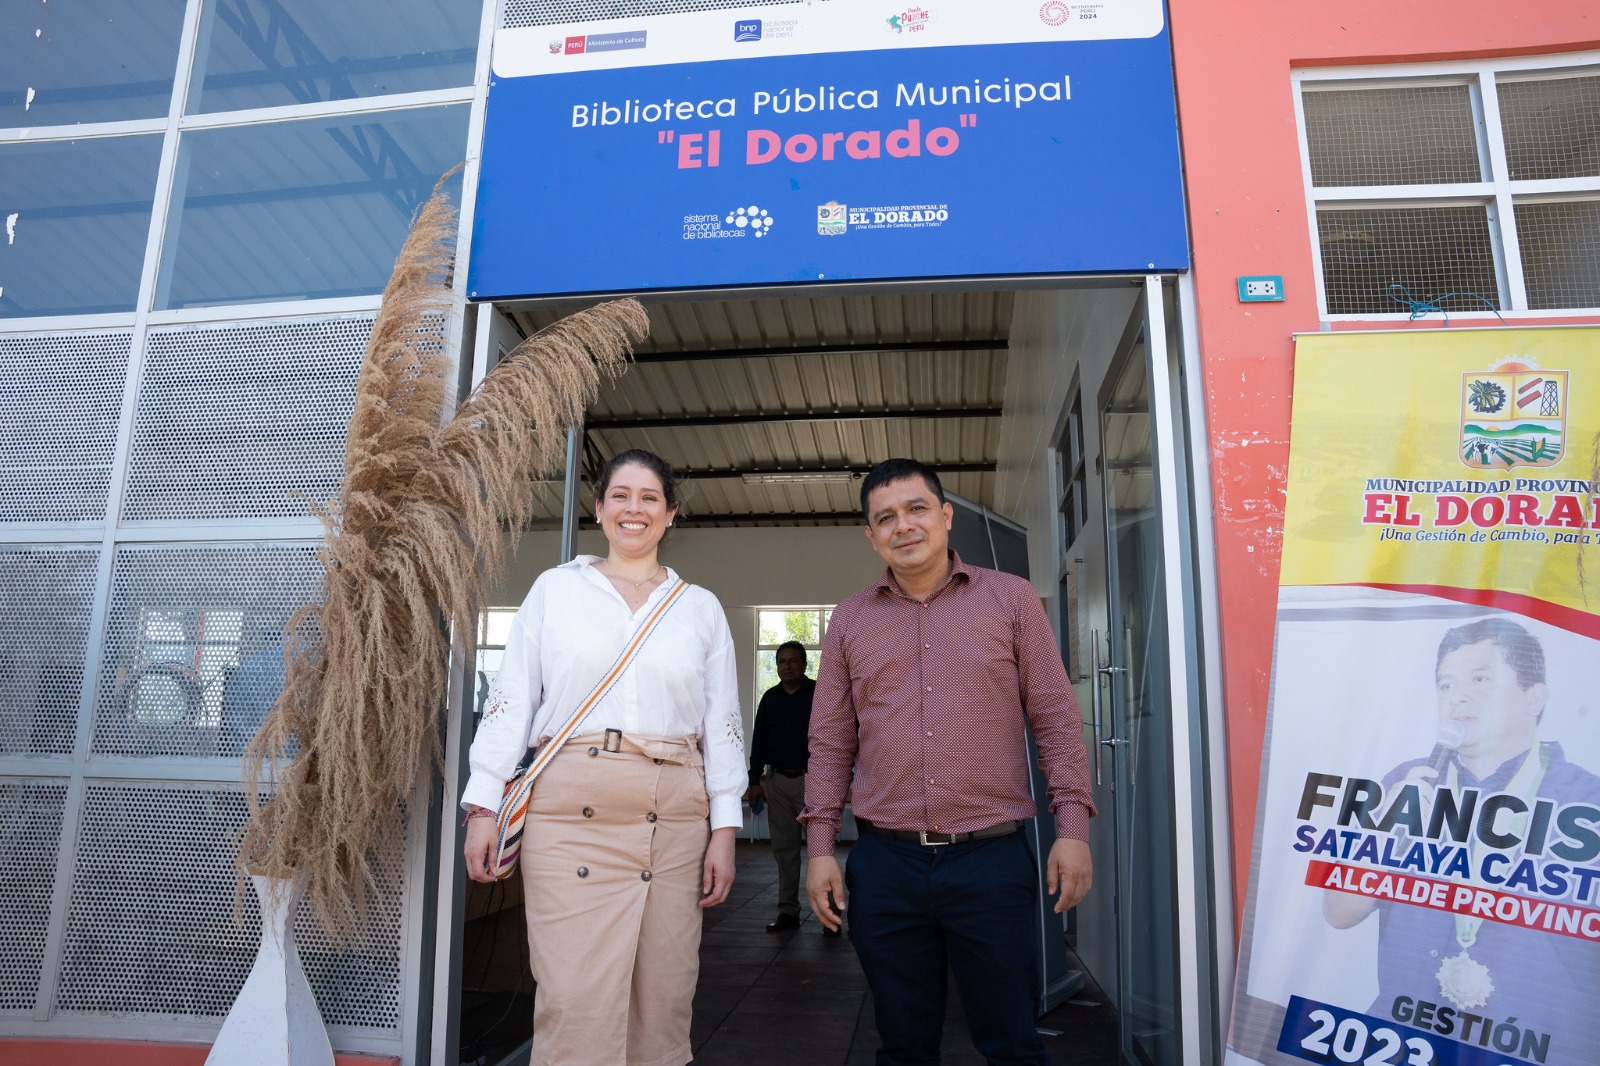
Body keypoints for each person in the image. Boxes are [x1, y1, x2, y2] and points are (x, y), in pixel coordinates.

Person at [801, 457, 1095, 1065]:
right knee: (904, 1042)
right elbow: (830, 742)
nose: (903, 526)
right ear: (870, 534)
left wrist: (1072, 831)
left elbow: (1056, 719)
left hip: (989, 861)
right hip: (887, 864)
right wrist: (820, 849)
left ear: (945, 516)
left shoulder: (1010, 600)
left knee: (1011, 1040)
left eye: (916, 510)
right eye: (885, 518)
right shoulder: (851, 619)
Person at [460, 448, 744, 1066]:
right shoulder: (557, 590)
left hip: (674, 820)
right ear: (599, 508)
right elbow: (512, 698)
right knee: (574, 998)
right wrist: (484, 802)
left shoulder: (700, 608)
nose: (633, 509)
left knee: (663, 1000)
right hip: (570, 820)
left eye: (649, 498)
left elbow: (721, 727)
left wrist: (724, 831)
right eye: (620, 495)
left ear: (671, 514)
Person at [1323, 617, 1600, 1056]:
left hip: (1536, 1048)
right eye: (1446, 685)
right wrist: (1384, 835)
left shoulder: (1587, 802)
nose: (1459, 697)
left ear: (1535, 696)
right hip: (1407, 1040)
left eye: (1480, 679)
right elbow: (1339, 912)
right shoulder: (1407, 782)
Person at [743, 640, 821, 934]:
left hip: (812, 781)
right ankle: (788, 912)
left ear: (804, 665)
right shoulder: (770, 698)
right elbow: (758, 742)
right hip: (777, 783)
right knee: (784, 850)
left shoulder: (818, 695)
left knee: (820, 849)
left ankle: (828, 914)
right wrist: (754, 781)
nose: (787, 666)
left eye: (793, 661)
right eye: (782, 662)